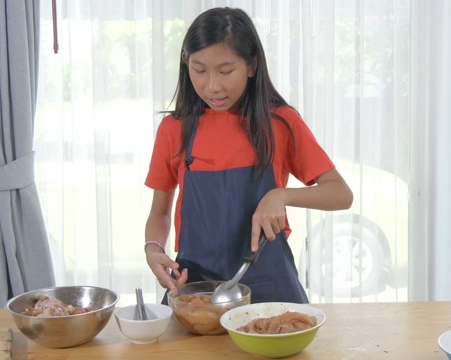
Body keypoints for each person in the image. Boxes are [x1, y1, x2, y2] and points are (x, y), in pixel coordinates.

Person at [144, 7, 353, 304]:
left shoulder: (280, 123)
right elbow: (159, 213)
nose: (212, 85)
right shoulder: (173, 129)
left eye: (226, 71)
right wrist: (153, 248)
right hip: (197, 292)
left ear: (252, 65)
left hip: (270, 289)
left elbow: (341, 194)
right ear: (185, 62)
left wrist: (280, 195)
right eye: (199, 70)